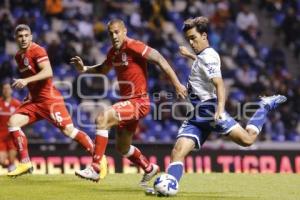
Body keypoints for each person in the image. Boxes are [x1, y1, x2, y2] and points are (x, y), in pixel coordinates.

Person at [165, 17, 287, 191]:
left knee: (248, 140)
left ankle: (264, 106)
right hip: (197, 114)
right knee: (178, 151)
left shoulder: (209, 56)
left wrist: (220, 109)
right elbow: (202, 64)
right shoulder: (202, 56)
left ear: (204, 35)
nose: (191, 42)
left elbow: (219, 84)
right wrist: (190, 55)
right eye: (189, 39)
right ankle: (170, 185)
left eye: (194, 38)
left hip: (209, 110)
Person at [70, 19, 187, 184]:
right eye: (111, 33)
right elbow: (103, 68)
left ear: (124, 31)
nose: (114, 36)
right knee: (122, 147)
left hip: (139, 101)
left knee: (102, 118)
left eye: (117, 32)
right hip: (128, 101)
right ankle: (149, 168)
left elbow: (160, 59)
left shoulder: (134, 46)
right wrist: (85, 69)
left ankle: (95, 168)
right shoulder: (113, 52)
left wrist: (177, 84)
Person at [7, 24, 107, 178]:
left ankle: (99, 158)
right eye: (20, 36)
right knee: (13, 122)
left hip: (49, 100)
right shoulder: (18, 56)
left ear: (31, 36)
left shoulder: (37, 50)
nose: (23, 39)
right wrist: (30, 92)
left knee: (69, 131)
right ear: (16, 38)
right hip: (34, 101)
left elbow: (48, 72)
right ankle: (25, 162)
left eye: (26, 35)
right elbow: (35, 80)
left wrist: (26, 81)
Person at [0, 82, 20, 172]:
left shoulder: (16, 104)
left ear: (11, 90)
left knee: (12, 160)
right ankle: (8, 166)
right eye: (4, 89)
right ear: (2, 90)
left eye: (8, 88)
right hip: (1, 135)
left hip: (12, 135)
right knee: (1, 161)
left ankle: (11, 167)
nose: (6, 91)